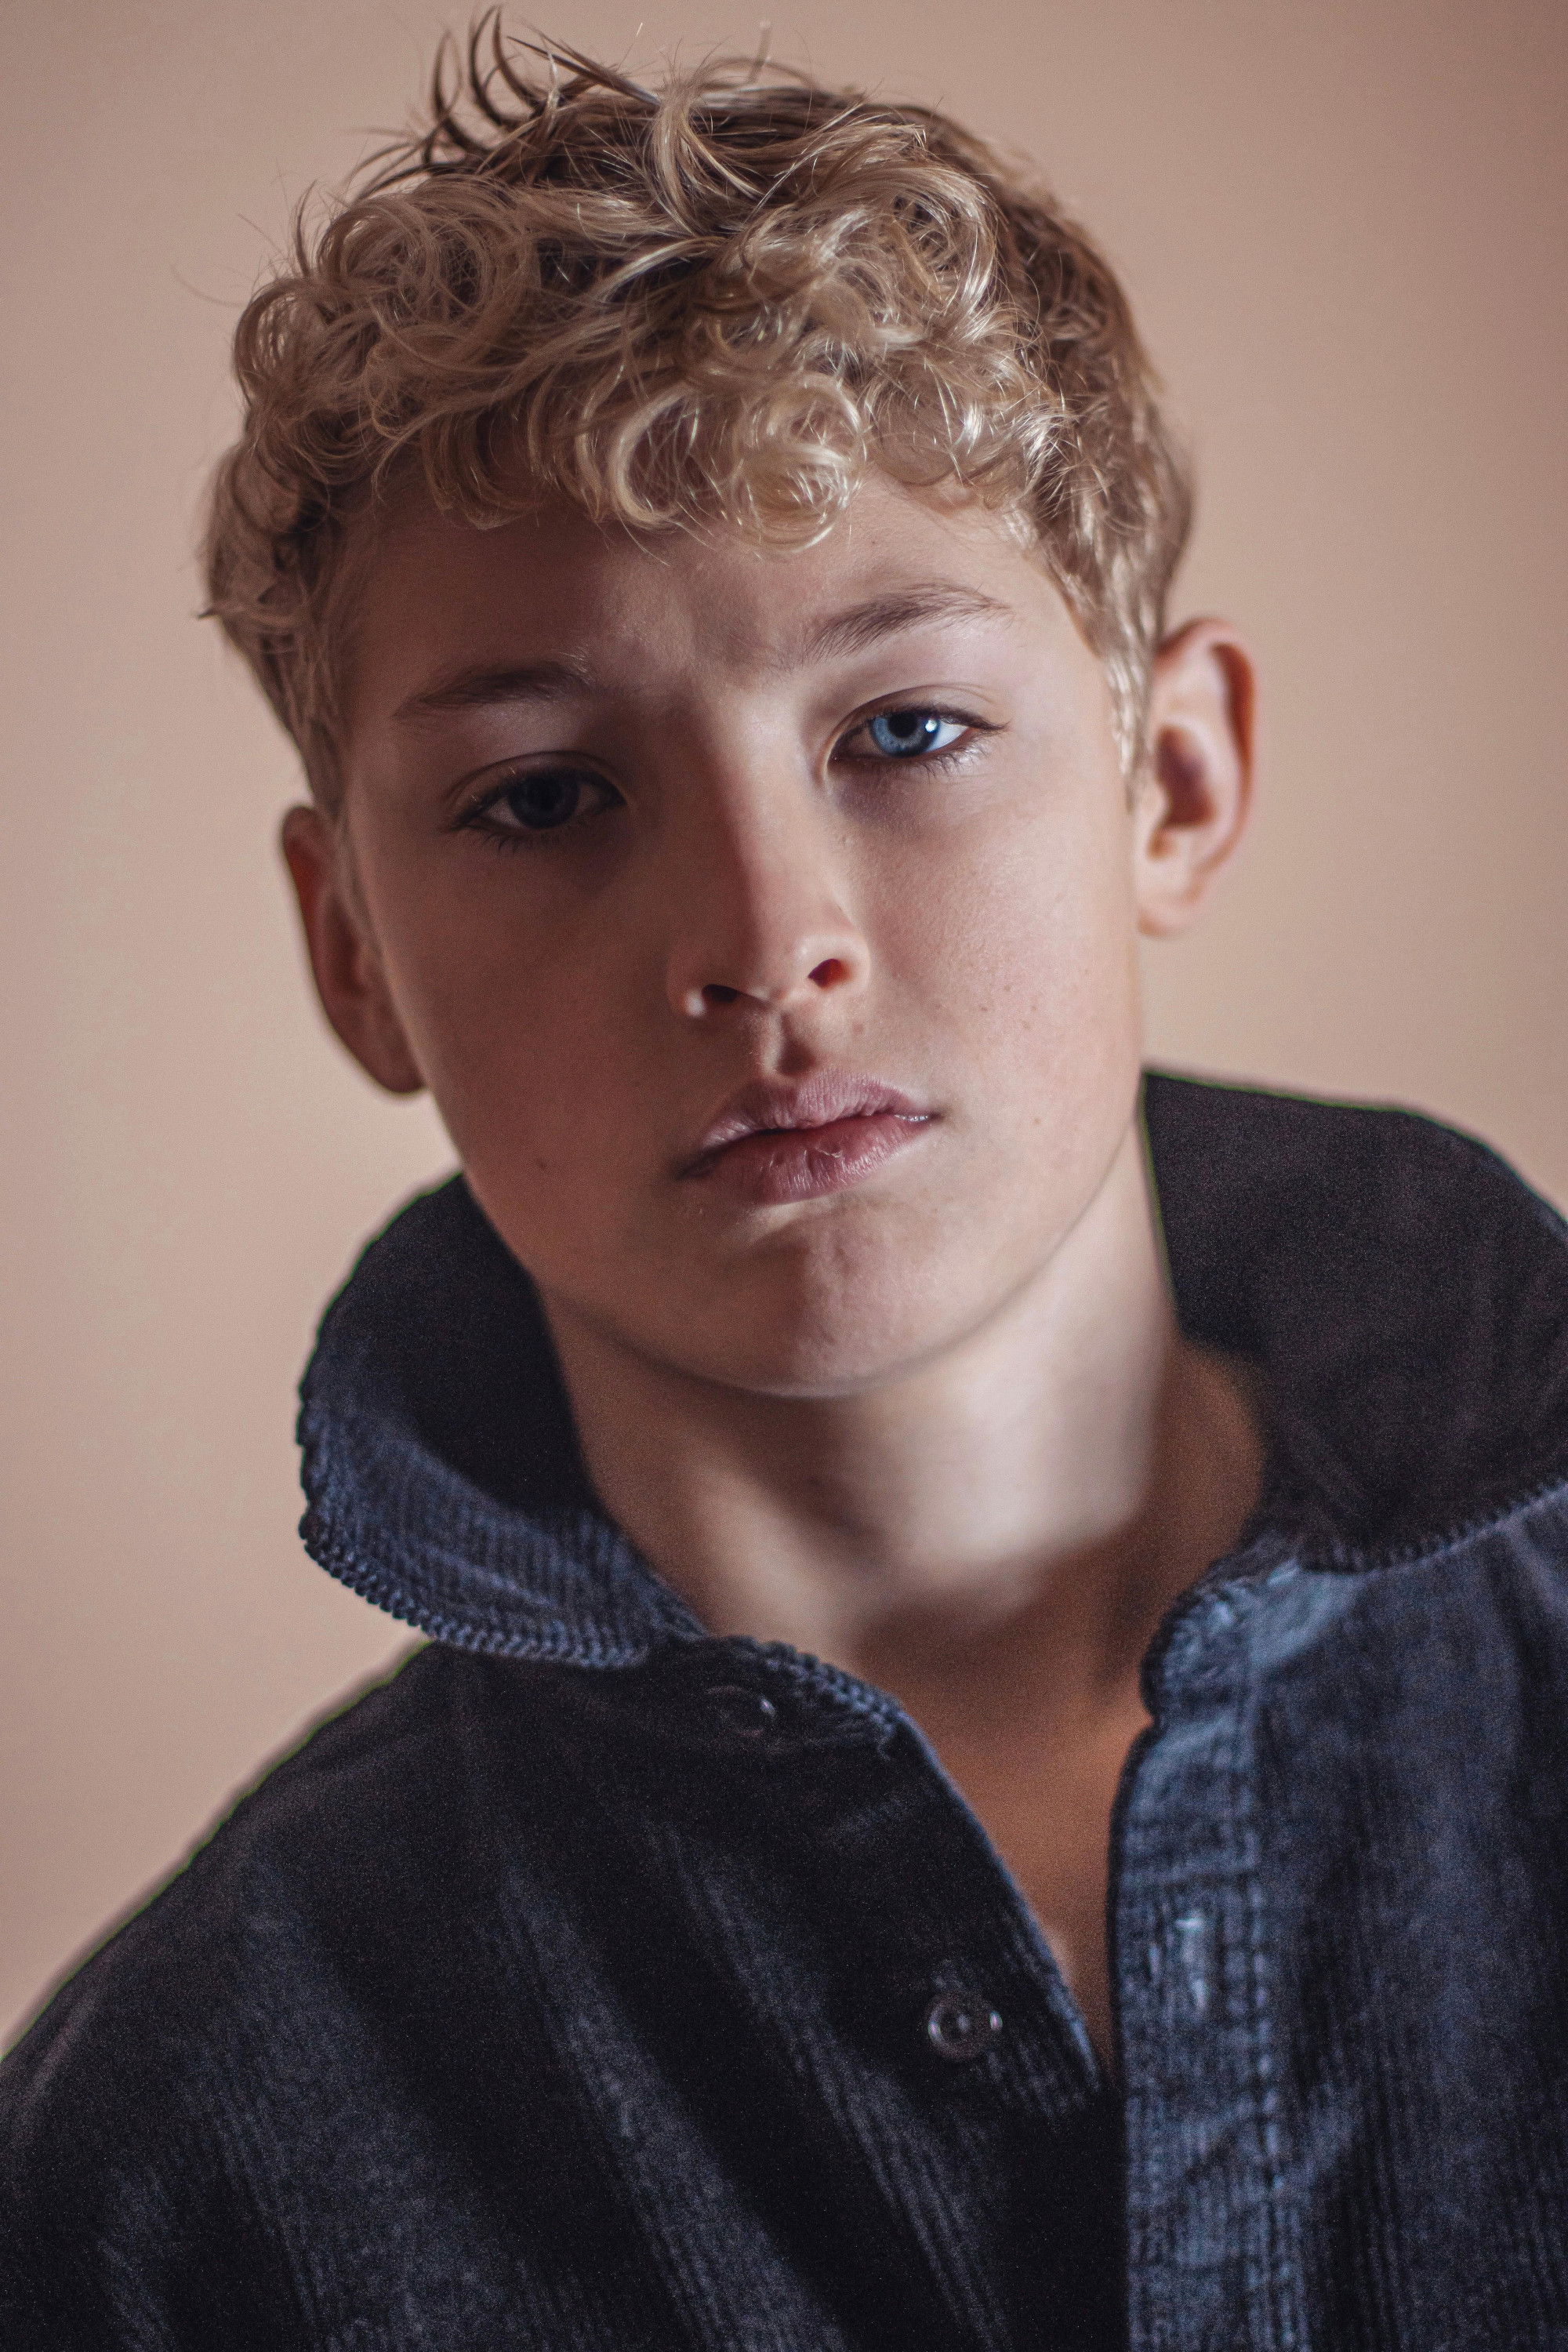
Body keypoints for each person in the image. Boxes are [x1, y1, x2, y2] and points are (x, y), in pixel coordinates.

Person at [5, 21, 1568, 2348]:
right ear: (355, 958)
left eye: (905, 730)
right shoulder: (168, 2166)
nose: (760, 941)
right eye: (546, 797)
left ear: (1171, 781)